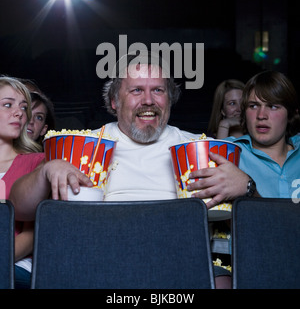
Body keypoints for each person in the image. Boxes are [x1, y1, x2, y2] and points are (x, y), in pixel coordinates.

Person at [10, 53, 232, 288]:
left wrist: (246, 187)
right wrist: (47, 169)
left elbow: (245, 224)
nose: (148, 100)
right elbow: (19, 208)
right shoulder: (80, 147)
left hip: (181, 266)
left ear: (170, 98)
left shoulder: (200, 149)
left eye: (158, 90)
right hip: (99, 267)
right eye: (136, 90)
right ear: (115, 101)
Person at [187, 70, 300, 206]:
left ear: (291, 113)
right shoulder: (229, 152)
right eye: (253, 106)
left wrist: (248, 187)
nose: (261, 115)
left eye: (273, 106)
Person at [0, 77, 45, 288]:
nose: (19, 113)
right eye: (8, 105)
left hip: (14, 266)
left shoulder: (37, 162)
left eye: (23, 107)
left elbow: (32, 233)